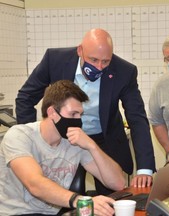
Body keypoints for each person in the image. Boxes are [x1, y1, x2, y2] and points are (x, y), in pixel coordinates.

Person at [15, 28, 155, 194]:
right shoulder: (55, 60)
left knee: (112, 198)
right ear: (80, 50)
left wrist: (145, 169)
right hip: (65, 141)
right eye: (94, 60)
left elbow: (137, 118)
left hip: (104, 141)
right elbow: (26, 97)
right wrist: (33, 140)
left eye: (105, 62)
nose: (99, 67)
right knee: (64, 196)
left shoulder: (124, 72)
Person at [0, 80, 126, 216]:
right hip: (15, 213)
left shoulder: (74, 141)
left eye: (80, 115)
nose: (78, 120)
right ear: (52, 112)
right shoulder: (20, 135)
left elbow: (118, 183)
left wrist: (92, 146)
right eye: (73, 114)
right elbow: (34, 184)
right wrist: (80, 201)